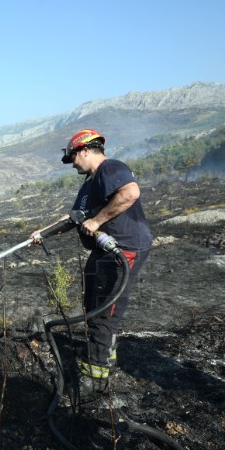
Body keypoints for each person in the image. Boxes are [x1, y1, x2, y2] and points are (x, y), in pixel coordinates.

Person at [30, 129, 152, 396]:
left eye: (73, 157)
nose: (72, 163)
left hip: (123, 248)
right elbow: (74, 217)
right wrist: (44, 233)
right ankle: (104, 360)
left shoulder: (110, 168)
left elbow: (130, 193)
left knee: (103, 313)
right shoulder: (89, 184)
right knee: (93, 306)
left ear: (85, 150)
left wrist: (97, 221)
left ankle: (94, 380)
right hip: (103, 251)